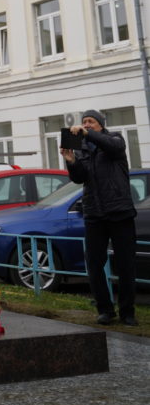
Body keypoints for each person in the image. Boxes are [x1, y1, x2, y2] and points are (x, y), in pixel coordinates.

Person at [61, 109, 138, 326]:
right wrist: (71, 161)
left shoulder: (115, 139)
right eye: (84, 121)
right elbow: (79, 178)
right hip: (94, 213)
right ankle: (105, 310)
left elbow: (112, 147)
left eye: (91, 121)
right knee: (94, 264)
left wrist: (86, 133)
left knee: (125, 265)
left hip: (120, 211)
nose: (86, 124)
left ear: (101, 125)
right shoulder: (83, 149)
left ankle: (127, 312)